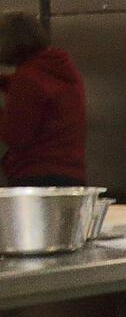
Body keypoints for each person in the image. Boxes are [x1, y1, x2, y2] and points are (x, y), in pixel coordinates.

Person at [0, 10, 86, 187]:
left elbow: (15, 137)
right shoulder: (58, 67)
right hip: (71, 175)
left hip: (35, 176)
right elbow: (41, 92)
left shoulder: (27, 78)